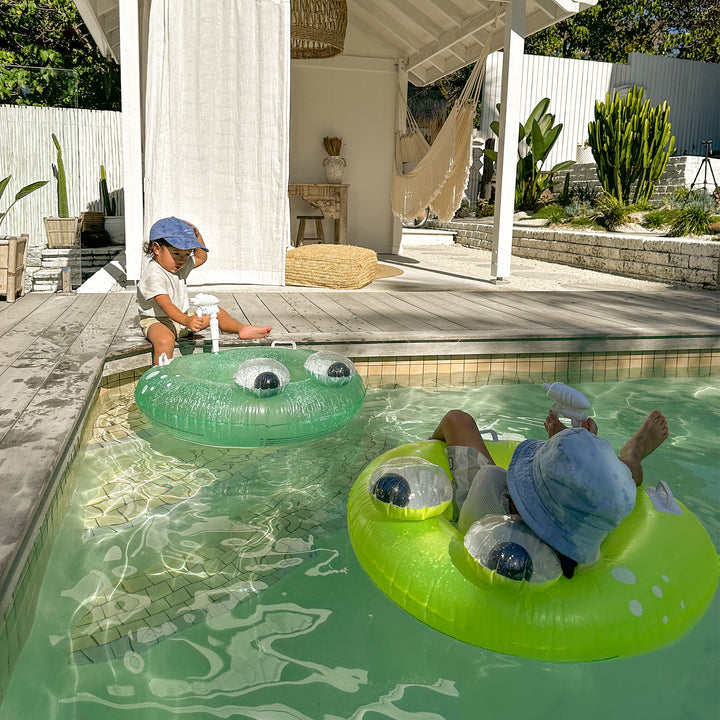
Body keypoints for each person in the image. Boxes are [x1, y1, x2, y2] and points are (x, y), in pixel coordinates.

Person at [430, 407, 669, 579]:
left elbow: (455, 420)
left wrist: (427, 449)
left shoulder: (486, 499)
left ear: (517, 494)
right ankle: (633, 453)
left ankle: (568, 455)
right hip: (577, 525)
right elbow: (603, 492)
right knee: (621, 477)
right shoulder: (593, 528)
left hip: (491, 514)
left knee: (458, 419)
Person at [137, 217, 272, 365]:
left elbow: (201, 256)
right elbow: (166, 305)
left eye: (187, 254)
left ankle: (242, 329)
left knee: (216, 312)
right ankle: (160, 378)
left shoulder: (177, 265)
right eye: (176, 254)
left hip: (182, 319)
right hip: (158, 321)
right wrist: (187, 321)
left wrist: (197, 234)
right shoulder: (154, 273)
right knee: (164, 340)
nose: (182, 260)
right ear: (156, 249)